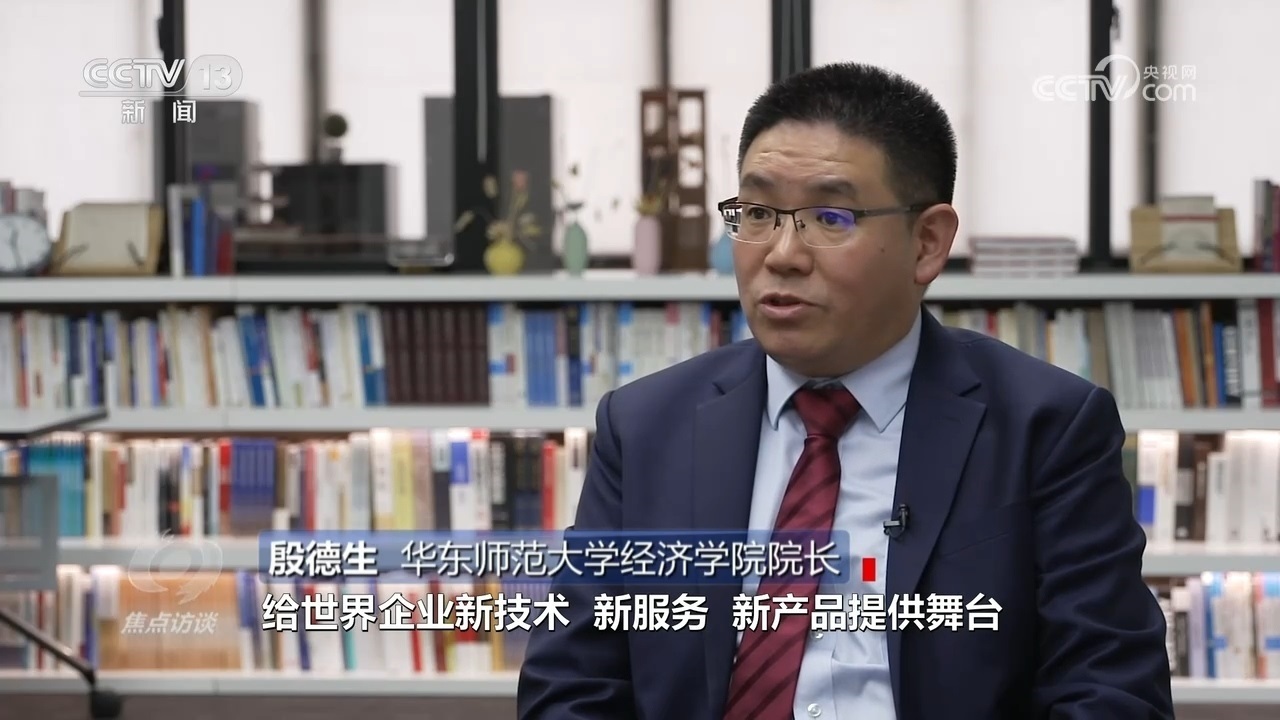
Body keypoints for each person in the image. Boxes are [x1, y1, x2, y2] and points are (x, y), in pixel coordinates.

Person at [516, 61, 1174, 720]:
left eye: (830, 217)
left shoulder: (1047, 427)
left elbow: (1111, 692)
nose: (781, 254)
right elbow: (571, 685)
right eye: (757, 213)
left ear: (927, 243)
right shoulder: (646, 426)